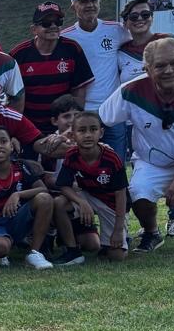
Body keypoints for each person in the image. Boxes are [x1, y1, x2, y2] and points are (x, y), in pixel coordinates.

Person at [99, 38, 174, 253]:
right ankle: (151, 233)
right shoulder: (131, 90)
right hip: (154, 162)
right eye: (160, 65)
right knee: (139, 194)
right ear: (147, 69)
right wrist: (64, 135)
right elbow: (100, 119)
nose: (169, 70)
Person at [61, 0, 131, 161]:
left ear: (100, 2)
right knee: (86, 165)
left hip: (114, 111)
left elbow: (140, 41)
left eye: (94, 0)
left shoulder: (116, 29)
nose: (90, 5)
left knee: (116, 163)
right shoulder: (65, 37)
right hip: (84, 112)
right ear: (73, 6)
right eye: (83, 1)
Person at [0, 126, 55, 270]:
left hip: (19, 219)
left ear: (11, 146)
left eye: (3, 141)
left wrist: (18, 194)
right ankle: (1, 253)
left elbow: (43, 189)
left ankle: (34, 253)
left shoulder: (22, 167)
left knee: (45, 198)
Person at [9, 2, 94, 140]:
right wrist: (16, 130)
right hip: (28, 127)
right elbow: (11, 96)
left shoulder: (72, 49)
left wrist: (73, 124)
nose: (53, 26)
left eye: (58, 21)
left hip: (64, 128)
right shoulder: (18, 54)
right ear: (34, 29)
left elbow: (79, 92)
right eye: (46, 23)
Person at [53, 111, 129, 263]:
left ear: (101, 133)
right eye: (82, 130)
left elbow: (121, 193)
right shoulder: (72, 154)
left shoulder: (111, 157)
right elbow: (63, 186)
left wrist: (118, 230)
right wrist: (81, 202)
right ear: (73, 135)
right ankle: (72, 251)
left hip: (112, 204)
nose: (88, 135)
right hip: (87, 196)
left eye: (93, 129)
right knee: (59, 203)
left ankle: (117, 240)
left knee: (116, 256)